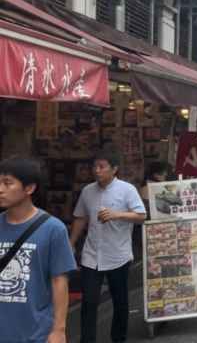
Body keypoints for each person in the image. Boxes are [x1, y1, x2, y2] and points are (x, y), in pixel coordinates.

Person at [69, 145, 146, 343]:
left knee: (120, 301)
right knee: (89, 301)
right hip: (91, 254)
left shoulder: (127, 190)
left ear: (114, 169)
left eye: (102, 167)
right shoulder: (87, 191)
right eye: (95, 167)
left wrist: (117, 214)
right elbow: (80, 217)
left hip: (117, 255)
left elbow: (141, 215)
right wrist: (72, 242)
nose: (97, 171)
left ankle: (118, 338)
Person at [0, 158, 76, 343]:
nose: (0, 189)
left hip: (35, 332)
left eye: (7, 183)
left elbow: (59, 280)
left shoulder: (53, 229)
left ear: (29, 188)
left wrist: (59, 330)